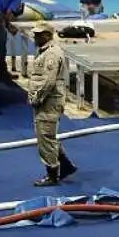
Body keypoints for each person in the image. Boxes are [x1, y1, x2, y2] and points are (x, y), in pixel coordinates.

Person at [26, 22, 78, 187]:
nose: (35, 37)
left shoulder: (51, 55)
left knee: (45, 136)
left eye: (39, 35)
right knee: (47, 135)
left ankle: (52, 173)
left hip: (48, 101)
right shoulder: (45, 51)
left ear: (48, 35)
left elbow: (48, 81)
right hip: (47, 100)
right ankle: (66, 165)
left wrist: (37, 97)